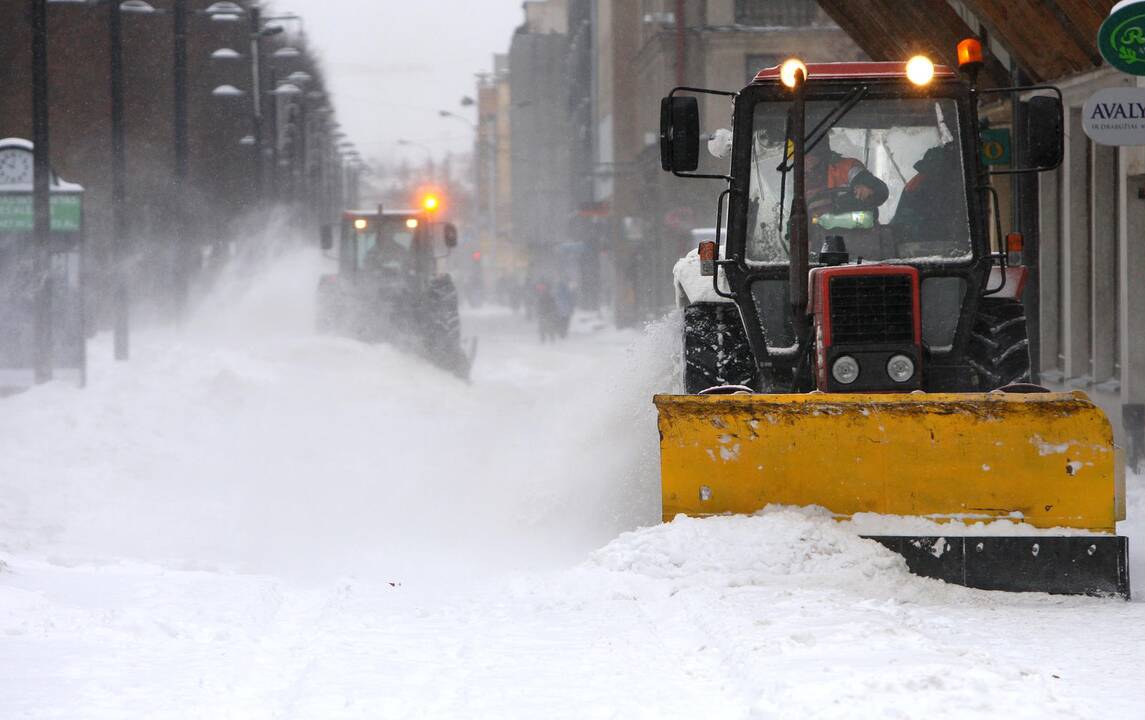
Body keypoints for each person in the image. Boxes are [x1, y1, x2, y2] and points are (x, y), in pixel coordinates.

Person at [803, 140, 889, 223]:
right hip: (814, 228)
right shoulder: (800, 181)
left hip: (846, 229)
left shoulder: (846, 168)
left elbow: (876, 189)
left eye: (808, 156)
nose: (805, 161)